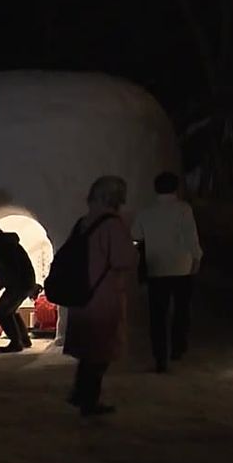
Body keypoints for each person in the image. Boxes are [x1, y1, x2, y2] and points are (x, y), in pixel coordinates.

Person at [64, 176, 138, 417]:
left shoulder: (83, 222)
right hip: (102, 295)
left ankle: (81, 393)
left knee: (88, 350)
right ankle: (88, 400)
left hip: (81, 293)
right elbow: (123, 259)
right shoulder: (113, 224)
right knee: (100, 351)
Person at [132, 172, 203, 373]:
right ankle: (178, 349)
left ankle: (160, 357)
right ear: (176, 188)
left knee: (158, 315)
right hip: (182, 266)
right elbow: (191, 236)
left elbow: (135, 235)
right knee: (181, 310)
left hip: (156, 267)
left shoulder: (146, 212)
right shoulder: (183, 209)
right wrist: (197, 257)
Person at [0, 217, 37, 353]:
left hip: (20, 283)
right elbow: (6, 268)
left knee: (0, 312)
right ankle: (23, 339)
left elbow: (11, 268)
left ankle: (16, 342)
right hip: (23, 282)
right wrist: (1, 284)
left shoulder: (1, 245)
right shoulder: (1, 243)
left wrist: (5, 284)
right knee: (10, 310)